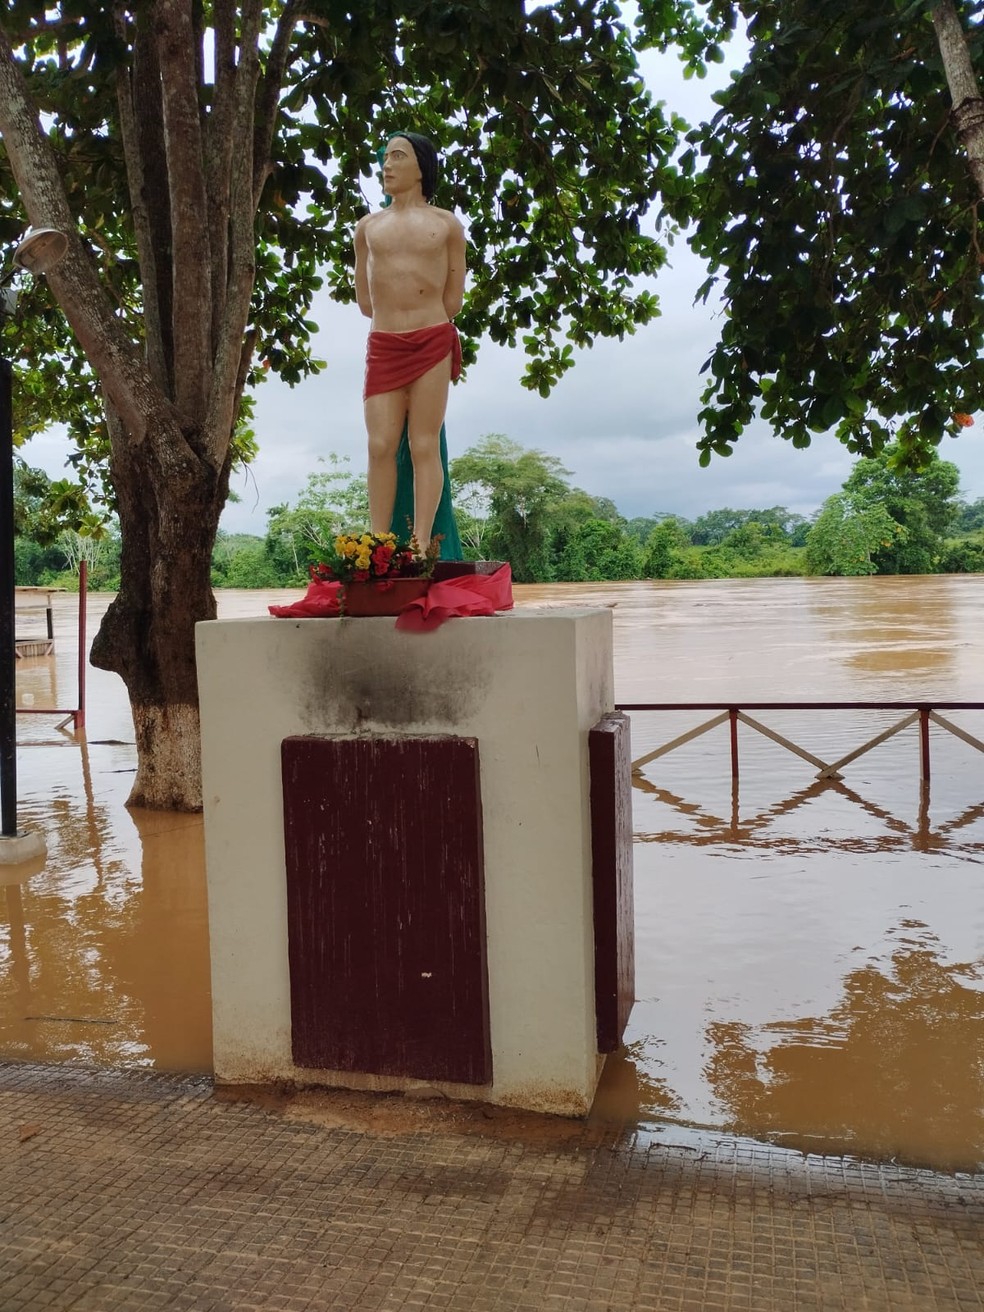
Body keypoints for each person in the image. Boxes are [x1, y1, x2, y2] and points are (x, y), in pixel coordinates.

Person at [355, 132, 467, 557]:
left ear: (422, 166)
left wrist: (423, 316)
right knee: (380, 444)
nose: (387, 165)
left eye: (397, 156)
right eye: (384, 157)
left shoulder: (446, 224)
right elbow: (366, 302)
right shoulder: (368, 228)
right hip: (384, 343)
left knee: (424, 442)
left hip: (431, 341)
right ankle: (378, 544)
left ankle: (421, 543)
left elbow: (453, 298)